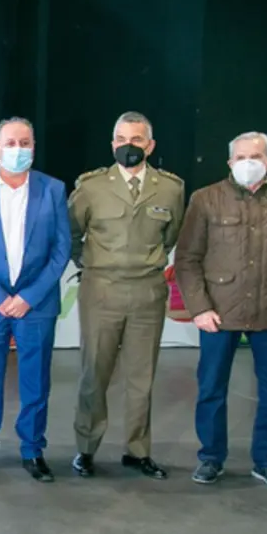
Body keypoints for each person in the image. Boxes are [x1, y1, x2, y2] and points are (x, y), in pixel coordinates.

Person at [174, 132, 267, 493]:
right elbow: (187, 258)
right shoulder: (206, 200)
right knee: (211, 389)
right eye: (240, 157)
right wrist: (199, 307)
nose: (248, 162)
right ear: (229, 162)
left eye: (255, 156)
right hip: (218, 314)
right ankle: (211, 457)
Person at [68, 111, 185, 480]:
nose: (127, 146)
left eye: (135, 140)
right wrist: (95, 264)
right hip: (101, 290)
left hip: (147, 292)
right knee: (94, 375)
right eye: (120, 139)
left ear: (149, 146)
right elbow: (72, 234)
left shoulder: (171, 188)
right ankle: (86, 449)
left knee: (141, 378)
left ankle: (137, 451)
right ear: (112, 143)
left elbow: (171, 236)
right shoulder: (91, 187)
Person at [0, 118, 71, 481]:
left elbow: (61, 248)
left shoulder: (52, 189)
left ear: (34, 147)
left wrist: (28, 297)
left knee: (36, 380)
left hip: (35, 304)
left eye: (25, 143)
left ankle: (33, 449)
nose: (17, 149)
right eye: (10, 142)